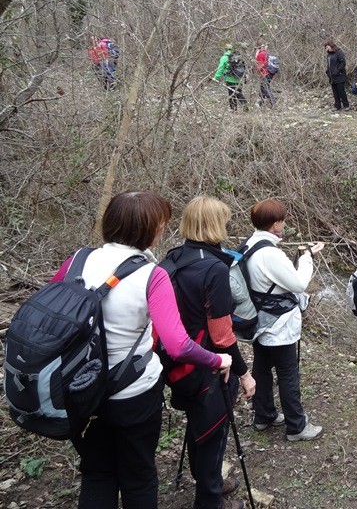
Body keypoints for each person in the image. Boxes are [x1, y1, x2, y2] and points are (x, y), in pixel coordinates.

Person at [50, 190, 232, 509]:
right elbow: (178, 344)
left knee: (97, 474)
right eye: (161, 224)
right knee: (139, 477)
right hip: (132, 395)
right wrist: (218, 358)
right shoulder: (150, 275)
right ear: (150, 229)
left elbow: (50, 319)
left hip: (78, 391)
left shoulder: (76, 260)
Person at [164, 196, 256, 509]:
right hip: (210, 364)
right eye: (225, 221)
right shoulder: (214, 268)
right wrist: (244, 373)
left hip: (176, 359)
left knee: (197, 422)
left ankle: (211, 482)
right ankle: (210, 500)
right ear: (216, 225)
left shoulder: (173, 257)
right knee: (213, 430)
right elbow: (222, 334)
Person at [241, 199, 326, 441]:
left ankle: (264, 415)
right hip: (278, 324)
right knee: (288, 373)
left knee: (262, 368)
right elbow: (298, 283)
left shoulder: (248, 244)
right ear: (277, 222)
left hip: (258, 320)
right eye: (283, 220)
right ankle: (296, 427)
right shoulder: (270, 253)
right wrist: (307, 256)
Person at [213, 43, 247, 112]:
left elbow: (220, 68)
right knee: (239, 93)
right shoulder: (239, 56)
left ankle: (233, 109)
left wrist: (216, 77)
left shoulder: (225, 57)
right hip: (239, 78)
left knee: (231, 94)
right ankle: (245, 106)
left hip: (230, 79)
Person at [324, 40, 350, 111]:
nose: (327, 48)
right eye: (326, 47)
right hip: (332, 77)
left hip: (339, 76)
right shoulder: (329, 55)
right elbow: (329, 65)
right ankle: (337, 105)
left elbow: (343, 63)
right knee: (335, 92)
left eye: (327, 47)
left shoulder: (339, 52)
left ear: (331, 45)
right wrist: (327, 72)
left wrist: (337, 71)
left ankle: (346, 105)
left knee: (341, 91)